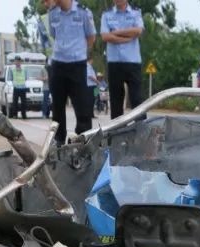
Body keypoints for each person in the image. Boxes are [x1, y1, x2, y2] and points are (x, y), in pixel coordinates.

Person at [48, 0, 96, 144]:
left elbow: (91, 37)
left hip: (77, 66)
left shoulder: (83, 12)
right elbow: (54, 34)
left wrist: (78, 51)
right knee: (57, 109)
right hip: (58, 65)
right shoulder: (52, 13)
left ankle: (82, 142)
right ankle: (59, 141)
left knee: (82, 108)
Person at [100, 0, 144, 118]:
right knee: (116, 101)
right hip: (114, 62)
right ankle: (117, 132)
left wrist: (117, 32)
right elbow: (105, 36)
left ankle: (142, 129)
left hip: (133, 61)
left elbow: (138, 30)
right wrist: (126, 38)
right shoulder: (107, 15)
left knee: (137, 99)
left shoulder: (135, 13)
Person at [37, 0, 56, 118]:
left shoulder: (70, 14)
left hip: (70, 61)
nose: (45, 4)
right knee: (55, 99)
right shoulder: (42, 20)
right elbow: (43, 44)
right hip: (53, 62)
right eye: (43, 1)